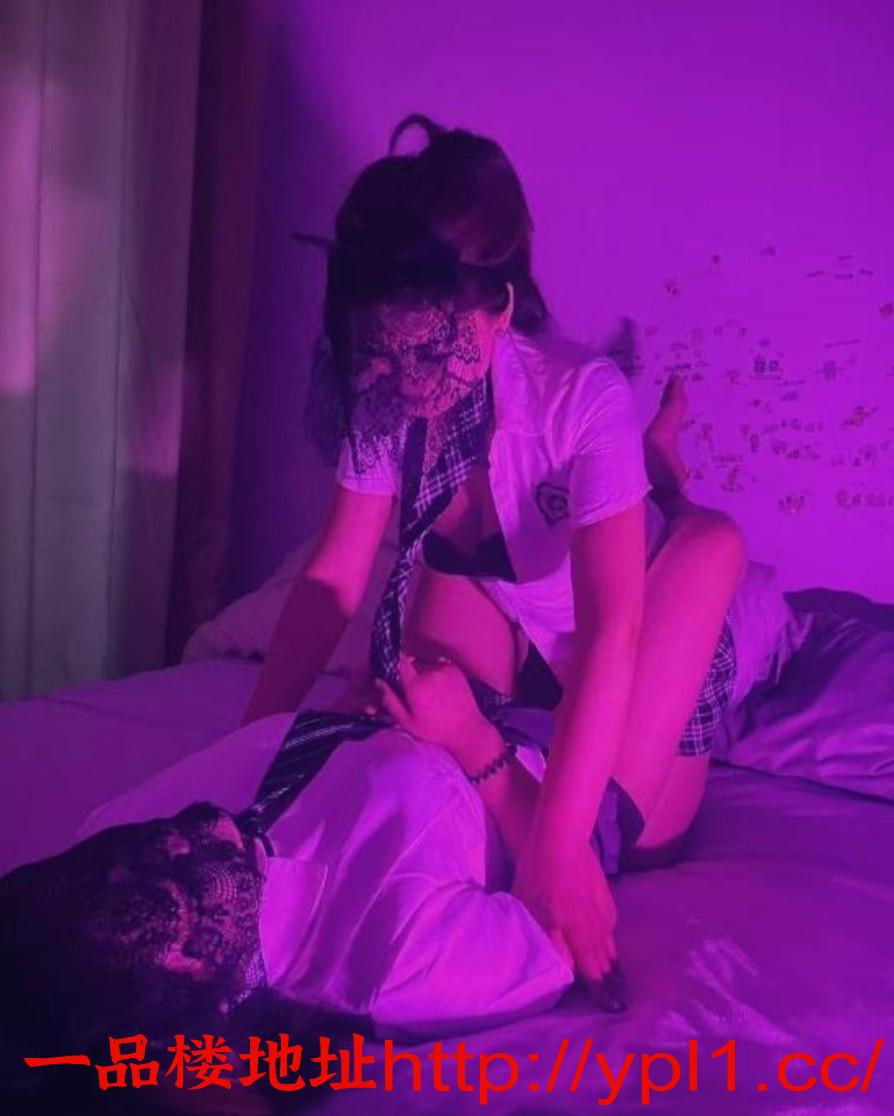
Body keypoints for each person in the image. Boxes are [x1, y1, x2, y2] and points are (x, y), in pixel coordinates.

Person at [239, 113, 748, 997]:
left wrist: (547, 846)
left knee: (709, 547)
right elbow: (332, 578)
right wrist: (253, 750)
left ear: (502, 309)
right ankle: (654, 474)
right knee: (403, 694)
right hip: (515, 614)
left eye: (437, 348)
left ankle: (667, 480)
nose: (414, 380)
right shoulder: (387, 396)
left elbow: (614, 635)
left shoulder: (579, 396)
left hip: (633, 625)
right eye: (386, 349)